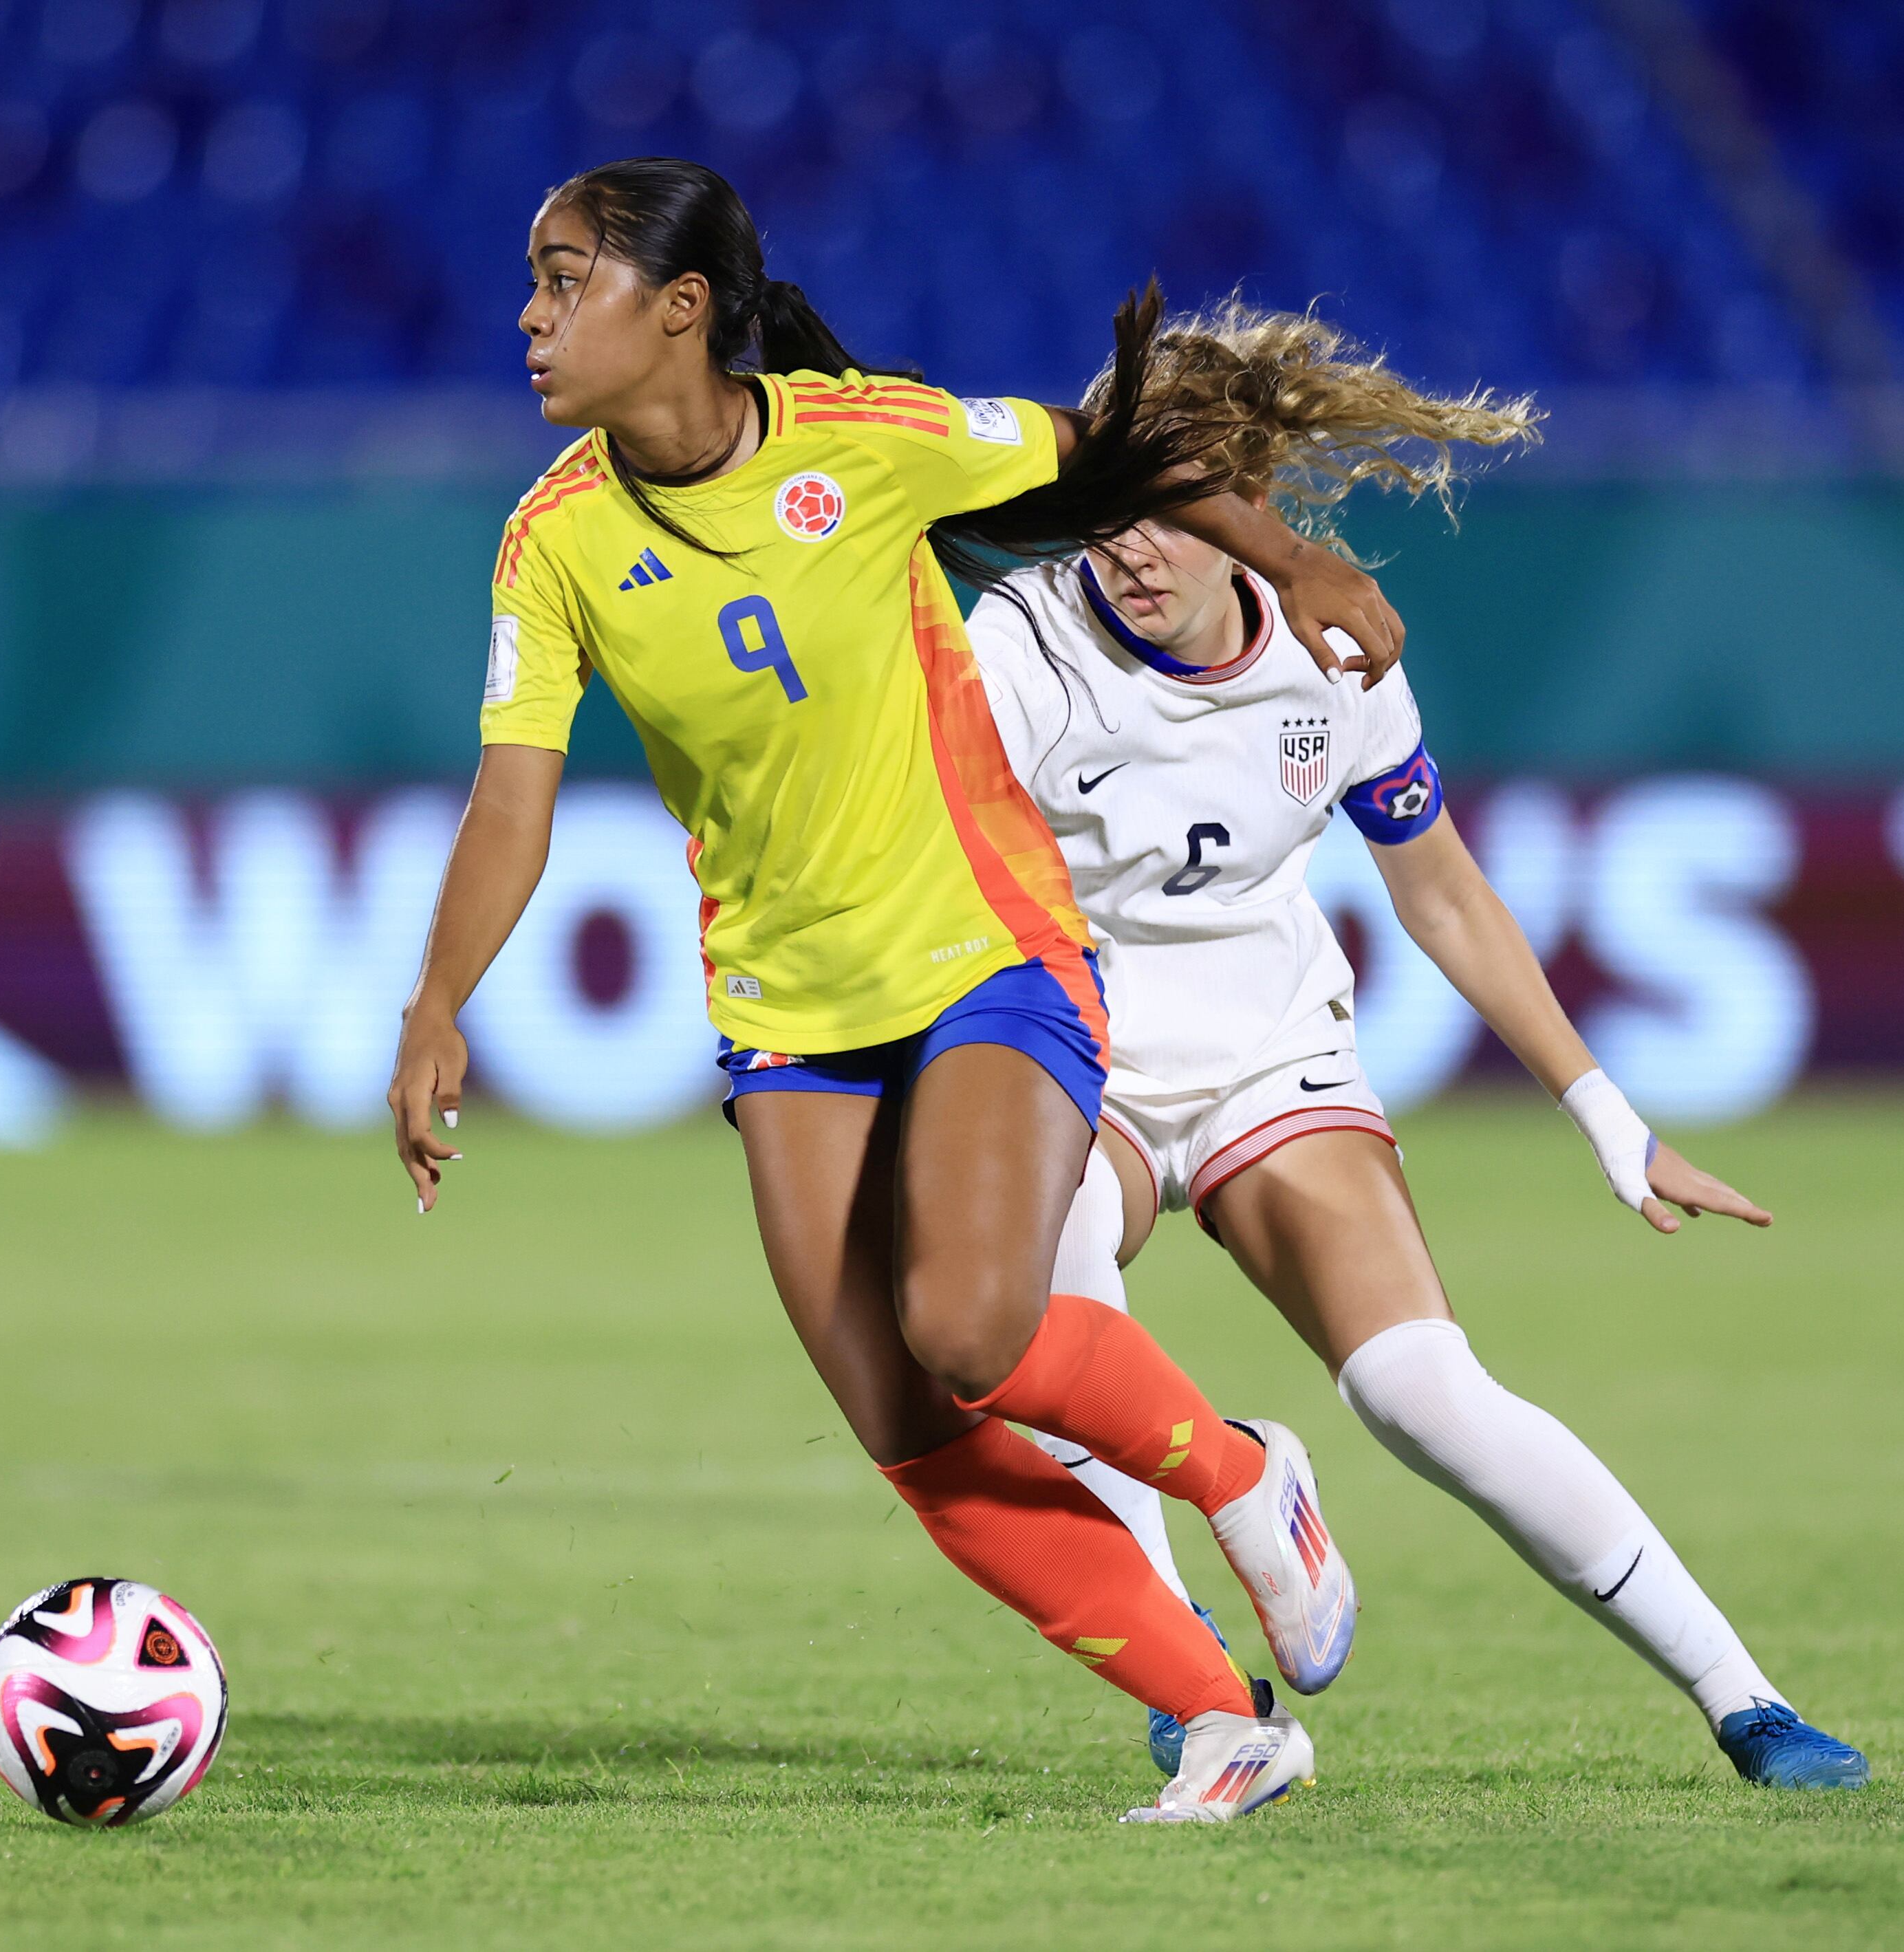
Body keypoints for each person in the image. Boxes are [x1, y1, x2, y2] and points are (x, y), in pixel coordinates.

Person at [387, 158, 1409, 1823]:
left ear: (680, 306)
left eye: (562, 277)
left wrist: (1286, 562)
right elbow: (513, 792)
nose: (529, 313)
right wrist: (438, 1005)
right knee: (905, 1425)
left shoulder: (861, 435)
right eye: (533, 280)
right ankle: (1223, 1717)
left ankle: (1238, 1473)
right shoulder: (552, 538)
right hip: (787, 1010)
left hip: (985, 951)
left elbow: (1106, 455)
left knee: (968, 1325)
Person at [962, 300, 1868, 1791]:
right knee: (1034, 1309)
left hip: (1265, 1056)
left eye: (1171, 514)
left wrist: (1605, 1118)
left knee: (1421, 1393)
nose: (1130, 547)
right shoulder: (1023, 640)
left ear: (1245, 512)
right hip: (1076, 1050)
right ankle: (1192, 1670)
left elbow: (1438, 891)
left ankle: (1745, 1703)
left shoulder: (1330, 654)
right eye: (1108, 509)